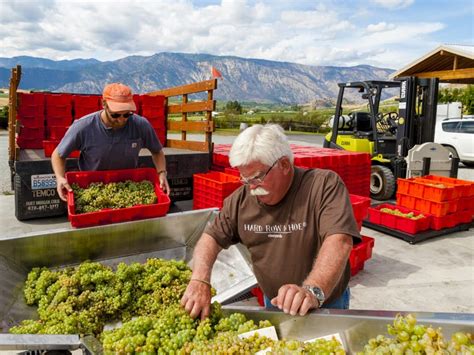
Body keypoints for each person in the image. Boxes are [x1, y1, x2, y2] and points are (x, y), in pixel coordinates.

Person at [181, 124, 360, 319]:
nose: (251, 188)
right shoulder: (240, 200)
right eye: (244, 179)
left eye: (257, 178)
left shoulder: (323, 185)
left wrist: (312, 291)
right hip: (273, 302)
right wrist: (200, 279)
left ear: (284, 164)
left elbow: (339, 241)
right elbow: (211, 238)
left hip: (324, 302)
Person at [51, 83, 170, 201]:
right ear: (104, 104)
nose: (121, 119)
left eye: (127, 114)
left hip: (128, 188)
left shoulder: (140, 124)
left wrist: (162, 173)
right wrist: (60, 178)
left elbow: (157, 151)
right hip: (93, 189)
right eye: (116, 114)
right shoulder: (83, 127)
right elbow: (58, 155)